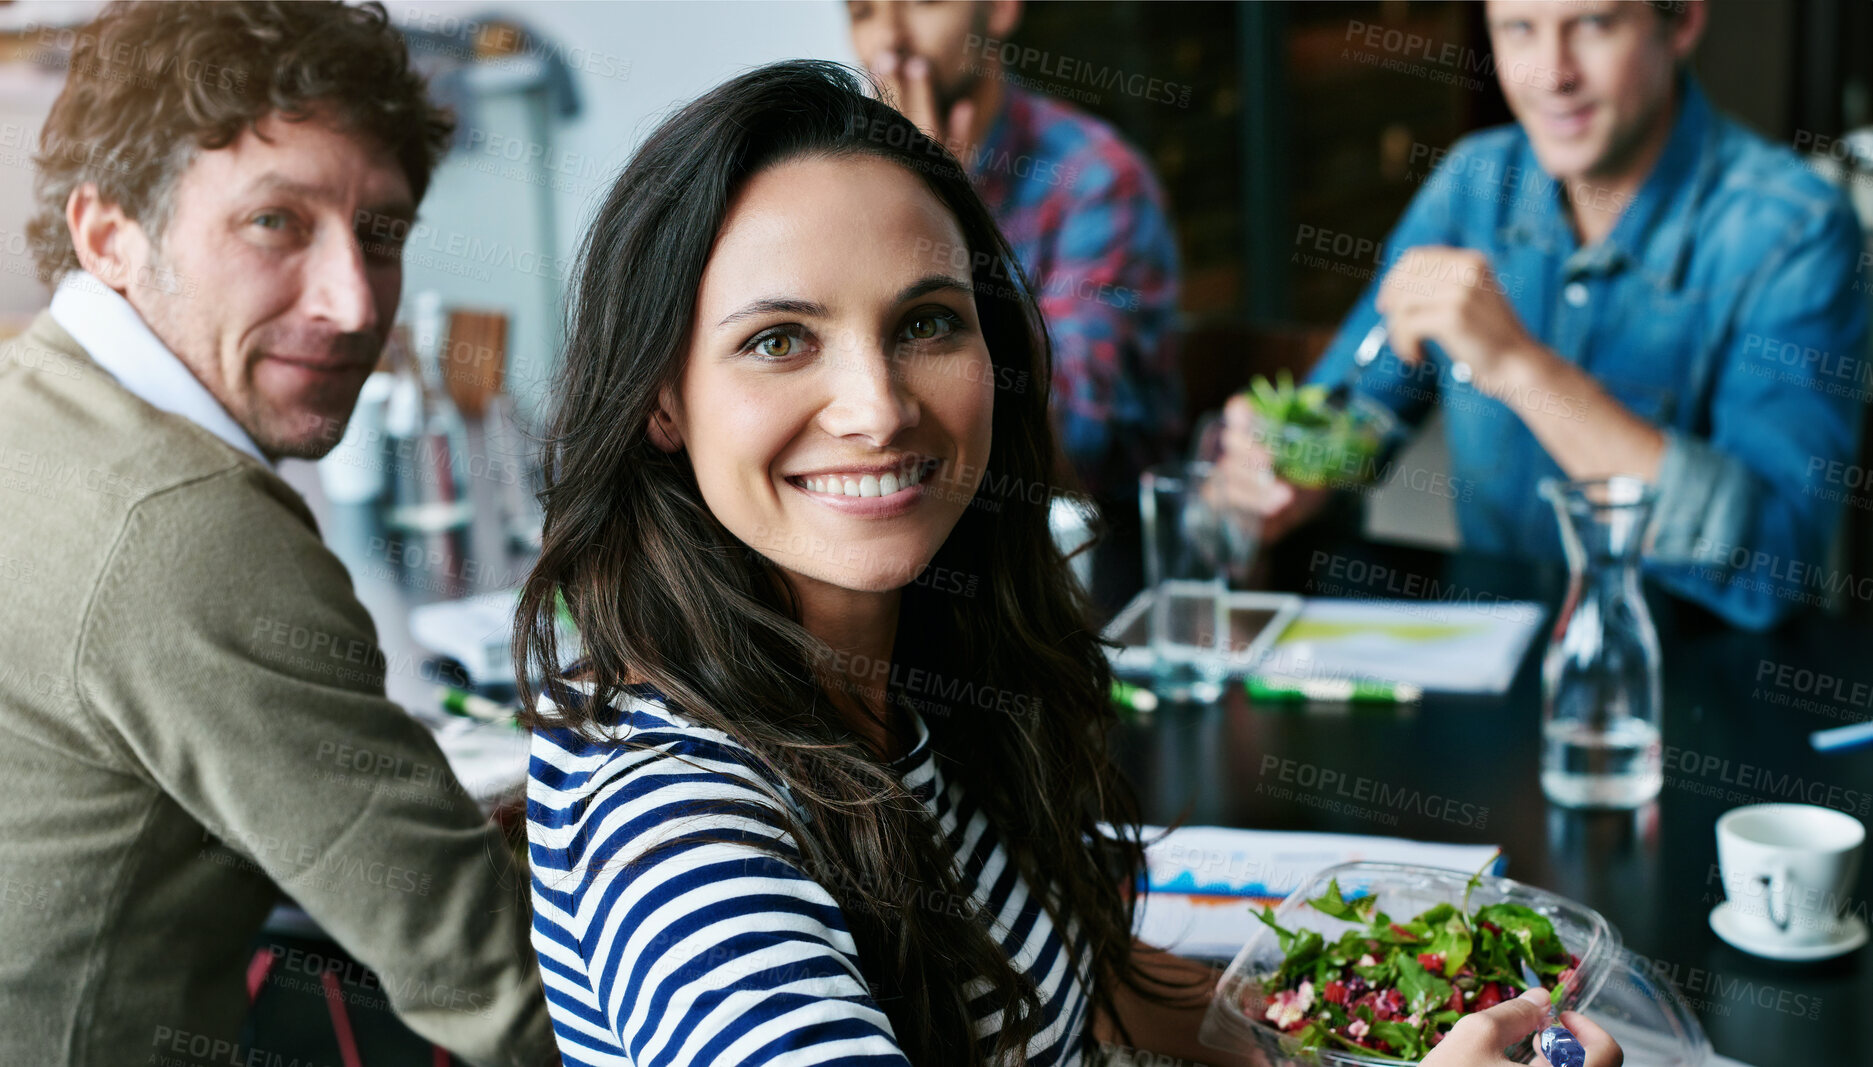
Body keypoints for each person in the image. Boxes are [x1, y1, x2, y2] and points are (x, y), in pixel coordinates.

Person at [516, 60, 1623, 1067]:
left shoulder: (923, 675)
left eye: (926, 324)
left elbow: (1111, 984)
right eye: (778, 339)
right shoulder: (677, 831)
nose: (877, 406)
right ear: (661, 396)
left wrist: (1387, 1027)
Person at [0, 4, 554, 1064]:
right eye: (276, 223)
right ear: (109, 234)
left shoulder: (31, 399)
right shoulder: (187, 527)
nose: (354, 305)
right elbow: (507, 994)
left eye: (382, 234)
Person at [1216, 0, 1867, 631]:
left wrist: (1518, 367)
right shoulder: (1472, 185)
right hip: (1489, 683)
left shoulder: (1796, 232)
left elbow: (1773, 568)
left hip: (1697, 701)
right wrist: (1277, 475)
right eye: (1519, 27)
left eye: (1591, 23)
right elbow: (1350, 422)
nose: (1551, 74)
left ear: (1683, 21)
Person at [847, 0, 1184, 607]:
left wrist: (949, 218)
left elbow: (1069, 443)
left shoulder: (1097, 180)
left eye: (923, 3)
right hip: (914, 551)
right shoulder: (840, 178)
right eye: (864, 11)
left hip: (1088, 569)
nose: (890, 40)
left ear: (1000, 10)